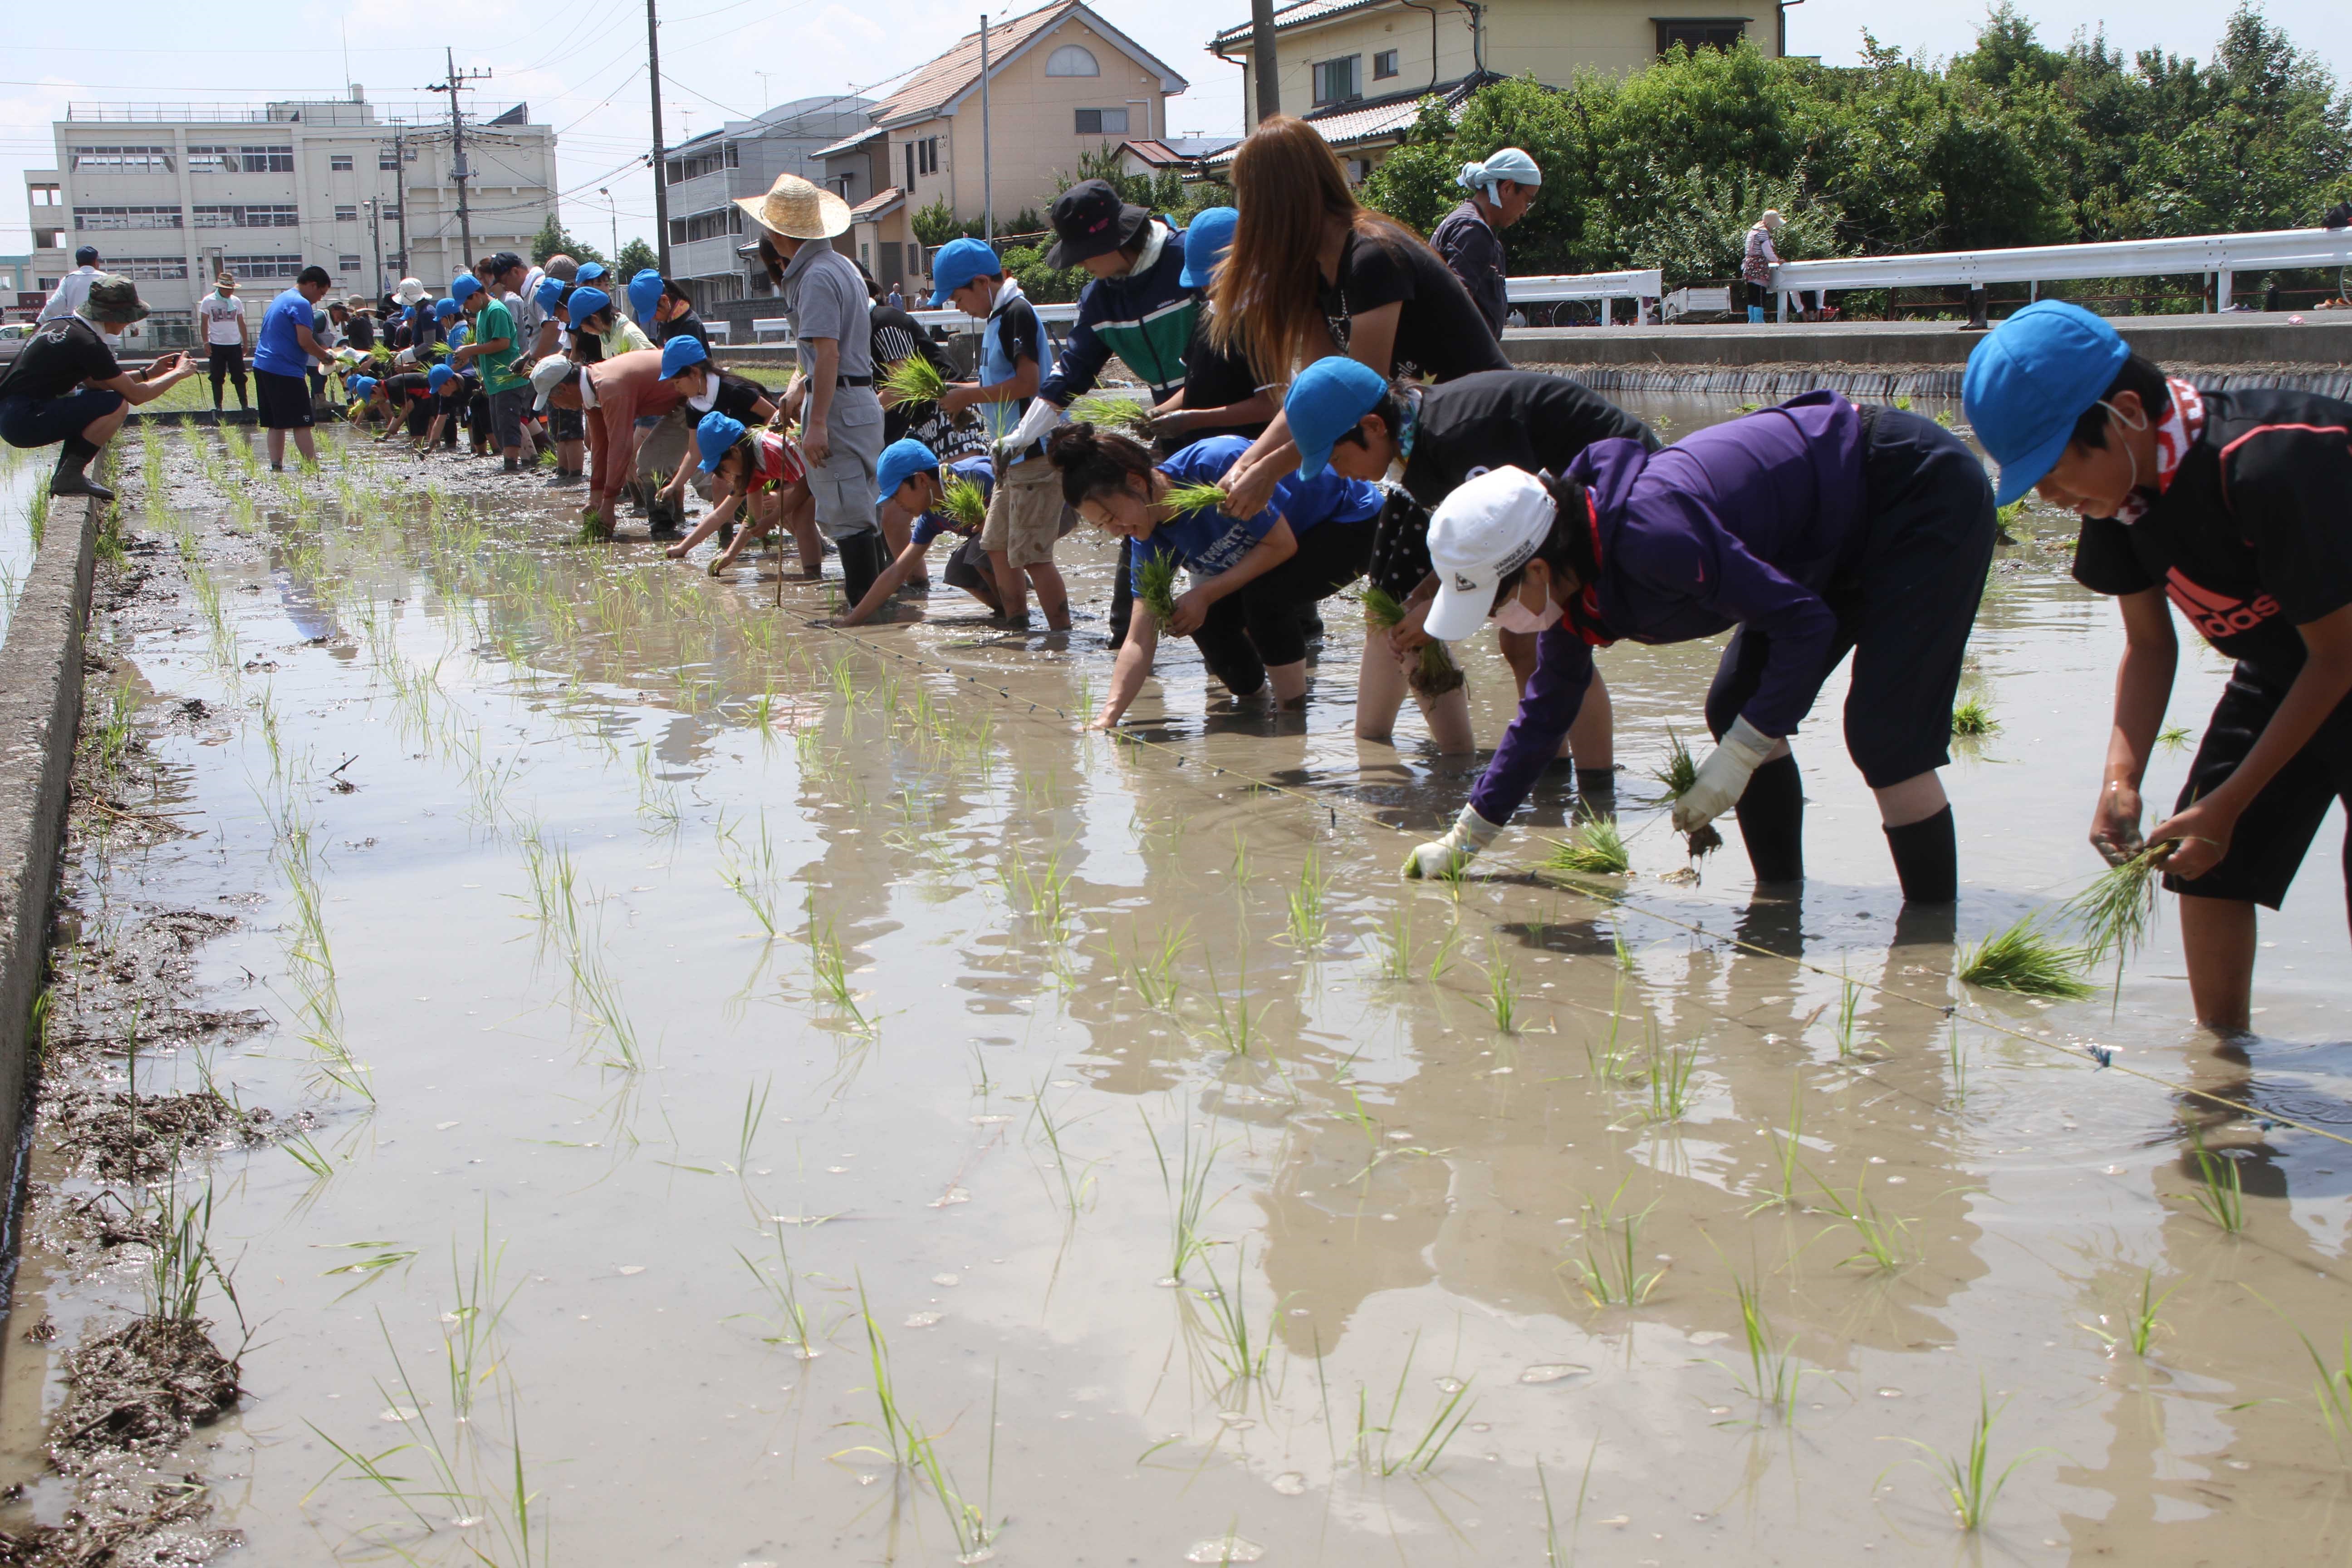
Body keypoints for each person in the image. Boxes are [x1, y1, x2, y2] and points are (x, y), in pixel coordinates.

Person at [1399, 395, 1994, 906]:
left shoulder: (1652, 537)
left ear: (1535, 569)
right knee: (1736, 701)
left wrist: (1740, 756)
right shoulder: (1573, 573)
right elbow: (1545, 714)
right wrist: (1466, 839)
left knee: (1885, 735)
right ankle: (1780, 901)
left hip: (1914, 491)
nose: (1499, 622)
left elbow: (1803, 626)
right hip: (1829, 535)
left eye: (1495, 604)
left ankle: (1930, 938)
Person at [1965, 302, 2352, 1035]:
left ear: (2126, 412)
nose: (2049, 497)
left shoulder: (2270, 463)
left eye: (2054, 469)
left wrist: (2229, 805)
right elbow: (2149, 645)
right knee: (2202, 869)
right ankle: (2222, 1073)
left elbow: (2337, 657)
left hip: (2336, 652)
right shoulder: (2119, 503)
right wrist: (2122, 779)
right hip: (2282, 666)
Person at [1282, 356, 1652, 763]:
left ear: (1373, 427)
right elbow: (1472, 552)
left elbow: (1509, 541)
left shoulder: (1455, 438)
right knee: (1521, 638)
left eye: (1337, 460)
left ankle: (1590, 787)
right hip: (1559, 507)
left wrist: (1433, 612)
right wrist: (1420, 600)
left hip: (1628, 494)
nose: (1342, 475)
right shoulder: (1414, 444)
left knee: (1546, 636)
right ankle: (1554, 769)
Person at [1209, 116, 1510, 523]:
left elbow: (1356, 400)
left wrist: (1270, 472)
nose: (1246, 219)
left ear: (1279, 201)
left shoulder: (1372, 257)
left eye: (1249, 200)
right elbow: (1315, 395)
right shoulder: (1316, 273)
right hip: (1434, 442)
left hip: (1486, 428)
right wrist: (1246, 463)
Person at [1050, 424, 1382, 726]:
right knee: (1204, 620)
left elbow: (1280, 546)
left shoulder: (1214, 466)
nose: (1113, 531)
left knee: (1264, 599)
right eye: (1101, 525)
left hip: (1349, 521)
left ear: (1136, 482)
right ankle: (1254, 703)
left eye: (1112, 516)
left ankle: (1292, 716)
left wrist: (1204, 594)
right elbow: (1138, 638)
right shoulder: (1149, 539)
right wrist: (1109, 716)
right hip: (1282, 550)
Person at [981, 180, 1202, 630]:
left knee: (1233, 525)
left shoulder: (1187, 262)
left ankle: (1292, 637)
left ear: (1117, 239)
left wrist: (1183, 406)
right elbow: (1071, 374)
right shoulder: (1099, 297)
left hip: (1232, 416)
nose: (1081, 265)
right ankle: (1127, 636)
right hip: (1171, 427)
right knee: (1138, 519)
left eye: (1084, 253)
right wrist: (1022, 436)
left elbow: (1228, 357)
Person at [734, 174, 892, 609]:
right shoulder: (841, 265)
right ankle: (877, 607)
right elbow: (825, 357)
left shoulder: (817, 277)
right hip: (855, 400)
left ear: (779, 232)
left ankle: (865, 611)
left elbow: (827, 354)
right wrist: (799, 393)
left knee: (847, 516)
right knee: (864, 510)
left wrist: (816, 423)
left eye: (767, 225)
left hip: (837, 406)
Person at [926, 237, 1069, 630]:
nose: (958, 306)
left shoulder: (1016, 313)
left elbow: (1029, 383)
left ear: (981, 283)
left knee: (1035, 556)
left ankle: (1060, 638)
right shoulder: (995, 319)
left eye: (957, 296)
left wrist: (968, 395)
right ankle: (1018, 624)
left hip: (1035, 453)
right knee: (996, 547)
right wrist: (964, 394)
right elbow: (1001, 384)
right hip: (1008, 457)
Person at [0, 275, 195, 498]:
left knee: (98, 396)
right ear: (112, 316)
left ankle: (67, 474)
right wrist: (179, 373)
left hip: (13, 414)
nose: (129, 324)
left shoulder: (63, 326)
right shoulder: (88, 343)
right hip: (24, 420)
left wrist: (149, 373)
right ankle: (70, 475)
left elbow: (99, 382)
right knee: (116, 404)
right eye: (129, 318)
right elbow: (136, 396)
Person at [838, 437, 1003, 625]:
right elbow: (897, 571)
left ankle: (1018, 616)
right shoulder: (932, 516)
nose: (897, 504)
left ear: (921, 479)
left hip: (1028, 526)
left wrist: (993, 521)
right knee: (958, 569)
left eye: (896, 494)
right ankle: (1004, 612)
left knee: (977, 552)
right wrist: (851, 620)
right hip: (1000, 547)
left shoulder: (974, 477)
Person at [668, 410, 817, 576]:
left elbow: (805, 488)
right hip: (808, 478)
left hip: (826, 466)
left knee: (802, 513)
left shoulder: (774, 449)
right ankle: (814, 568)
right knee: (798, 512)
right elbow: (740, 516)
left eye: (723, 468)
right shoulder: (749, 464)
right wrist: (727, 555)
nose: (726, 475)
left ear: (736, 452)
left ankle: (814, 577)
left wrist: (771, 520)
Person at [1431, 148, 1541, 338]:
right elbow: (1454, 309)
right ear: (1507, 188)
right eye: (1527, 201)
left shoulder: (1474, 228)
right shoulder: (1473, 230)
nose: (1524, 212)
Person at [252, 265, 336, 470]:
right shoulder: (301, 303)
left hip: (263, 365)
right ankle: (312, 466)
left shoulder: (282, 298)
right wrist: (326, 357)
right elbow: (305, 341)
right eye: (321, 293)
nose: (319, 299)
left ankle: (276, 466)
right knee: (302, 421)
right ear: (312, 285)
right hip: (284, 369)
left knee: (275, 422)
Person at [197, 274, 250, 415]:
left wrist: (245, 343)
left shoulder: (236, 302)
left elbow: (241, 323)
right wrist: (205, 342)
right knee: (217, 376)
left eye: (232, 289)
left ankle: (244, 405)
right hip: (216, 344)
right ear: (220, 288)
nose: (230, 292)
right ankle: (218, 406)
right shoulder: (208, 301)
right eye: (227, 289)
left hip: (234, 344)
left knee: (239, 376)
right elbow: (204, 323)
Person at [38, 246, 103, 323]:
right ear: (96, 262)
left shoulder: (69, 279)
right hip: (103, 329)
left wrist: (40, 322)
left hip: (78, 327)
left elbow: (56, 304)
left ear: (78, 264)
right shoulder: (105, 279)